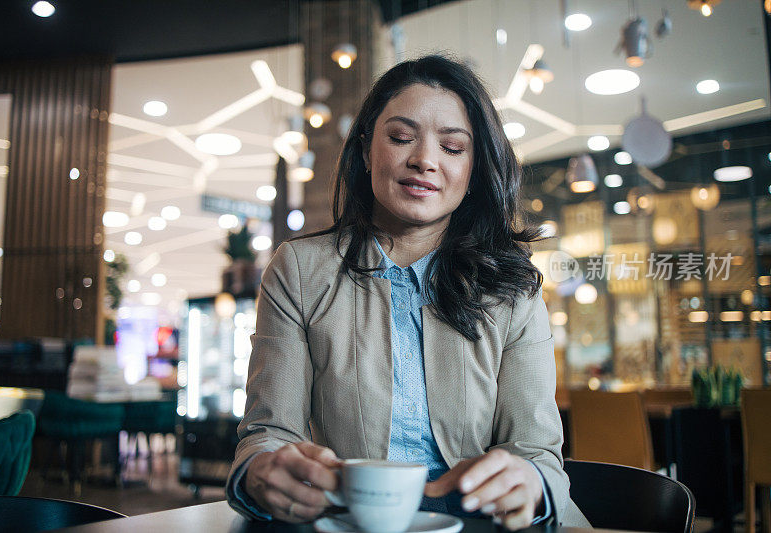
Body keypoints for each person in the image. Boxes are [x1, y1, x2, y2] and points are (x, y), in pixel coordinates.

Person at [226, 55, 589, 529]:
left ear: (475, 168)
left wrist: (531, 483)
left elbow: (538, 452)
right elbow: (269, 432)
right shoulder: (300, 269)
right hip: (346, 521)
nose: (425, 160)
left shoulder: (513, 286)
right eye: (400, 137)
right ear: (364, 150)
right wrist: (261, 471)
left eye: (454, 147)